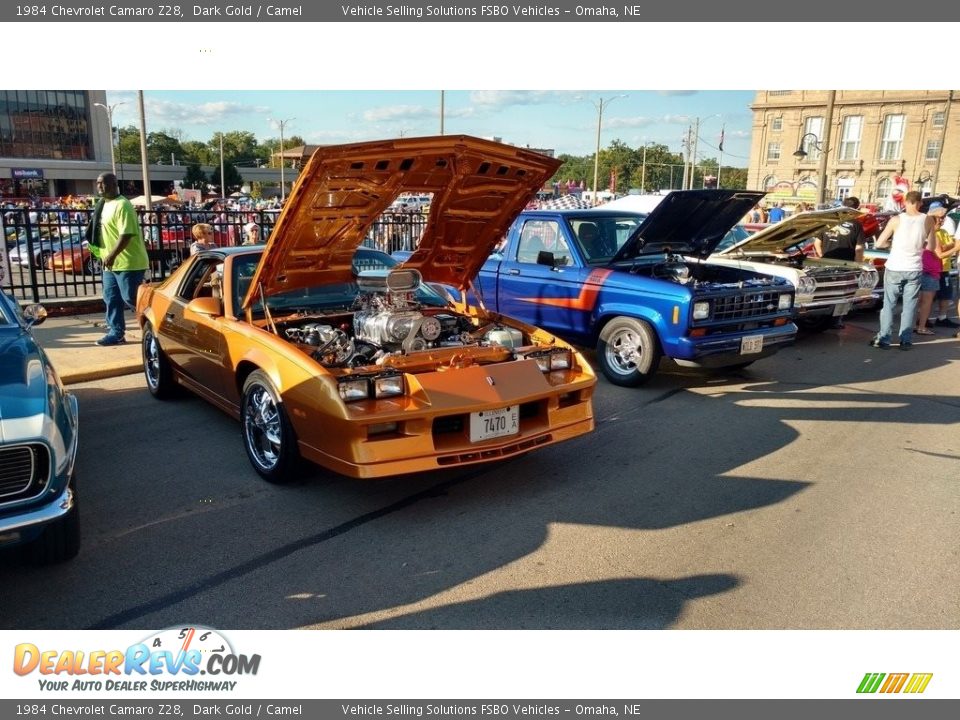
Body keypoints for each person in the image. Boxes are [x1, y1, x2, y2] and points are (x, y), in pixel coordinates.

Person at [870, 190, 937, 350]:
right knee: (910, 306)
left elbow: (879, 243)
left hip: (894, 266)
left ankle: (884, 338)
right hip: (914, 268)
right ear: (920, 203)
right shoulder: (927, 220)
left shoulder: (895, 220)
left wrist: (892, 245)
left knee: (889, 304)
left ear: (905, 202)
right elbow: (932, 247)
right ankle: (905, 340)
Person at [91, 172, 149, 347]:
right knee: (111, 298)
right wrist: (102, 253)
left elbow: (126, 235)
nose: (100, 186)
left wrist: (112, 255)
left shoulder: (123, 205)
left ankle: (156, 325)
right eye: (98, 183)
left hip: (129, 263)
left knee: (131, 298)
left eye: (103, 183)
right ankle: (116, 333)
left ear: (114, 184)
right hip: (110, 263)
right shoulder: (103, 204)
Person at [813, 196, 865, 262]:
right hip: (845, 266)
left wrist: (822, 257)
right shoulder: (856, 225)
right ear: (857, 209)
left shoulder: (828, 221)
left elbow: (817, 242)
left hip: (826, 263)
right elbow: (859, 249)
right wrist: (858, 265)